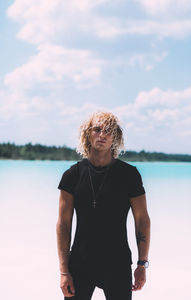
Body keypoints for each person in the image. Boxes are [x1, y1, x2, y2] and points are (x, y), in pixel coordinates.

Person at [56, 111, 151, 300]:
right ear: (87, 134)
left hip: (118, 264)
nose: (102, 135)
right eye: (97, 129)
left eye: (108, 131)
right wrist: (64, 272)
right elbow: (63, 225)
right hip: (80, 264)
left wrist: (142, 264)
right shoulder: (72, 176)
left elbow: (142, 220)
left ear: (115, 137)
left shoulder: (129, 176)